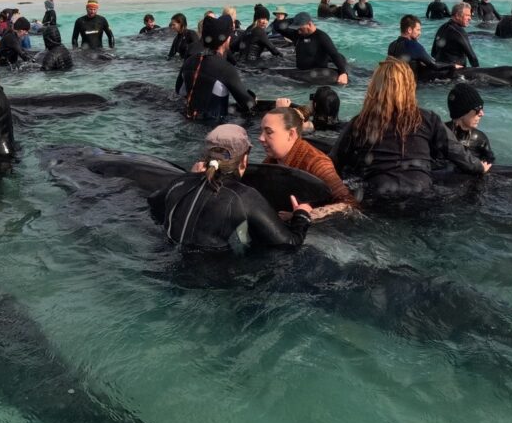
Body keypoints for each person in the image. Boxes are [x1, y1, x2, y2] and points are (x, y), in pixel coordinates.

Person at [330, 59, 488, 201]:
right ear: (410, 87)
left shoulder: (360, 122)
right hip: (421, 192)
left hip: (378, 195)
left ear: (375, 88)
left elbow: (333, 162)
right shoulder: (428, 118)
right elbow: (456, 152)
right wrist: (479, 166)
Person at [147, 124, 313, 251]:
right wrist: (302, 215)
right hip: (213, 284)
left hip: (168, 263)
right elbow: (290, 244)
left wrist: (190, 177)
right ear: (244, 160)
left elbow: (153, 204)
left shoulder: (180, 183)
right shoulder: (245, 197)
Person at [258, 106, 357, 215]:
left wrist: (308, 215)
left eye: (269, 132)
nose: (261, 138)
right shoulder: (271, 160)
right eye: (261, 131)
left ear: (291, 134)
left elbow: (349, 204)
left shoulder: (317, 163)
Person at [176, 13, 256, 121]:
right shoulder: (226, 69)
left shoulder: (189, 61)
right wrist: (253, 97)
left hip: (187, 121)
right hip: (213, 129)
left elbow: (179, 90)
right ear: (225, 40)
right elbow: (248, 104)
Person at [387, 15, 456, 82]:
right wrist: (452, 65)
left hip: (397, 82)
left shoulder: (392, 45)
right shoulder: (413, 45)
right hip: (413, 84)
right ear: (409, 30)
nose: (420, 33)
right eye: (418, 30)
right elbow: (434, 65)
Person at [290, 12, 349, 85]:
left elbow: (334, 54)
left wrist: (343, 73)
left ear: (309, 24)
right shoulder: (299, 35)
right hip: (302, 72)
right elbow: (281, 27)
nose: (298, 31)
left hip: (317, 74)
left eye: (300, 28)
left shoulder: (321, 37)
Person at [445, 84, 494, 164]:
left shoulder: (480, 138)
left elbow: (490, 163)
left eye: (482, 108)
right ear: (462, 112)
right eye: (478, 109)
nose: (482, 113)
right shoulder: (439, 134)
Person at [431, 2, 479, 68]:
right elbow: (472, 57)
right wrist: (478, 71)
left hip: (440, 70)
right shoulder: (459, 31)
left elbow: (433, 53)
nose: (470, 18)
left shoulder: (442, 28)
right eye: (467, 15)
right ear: (457, 15)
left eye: (470, 15)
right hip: (455, 73)